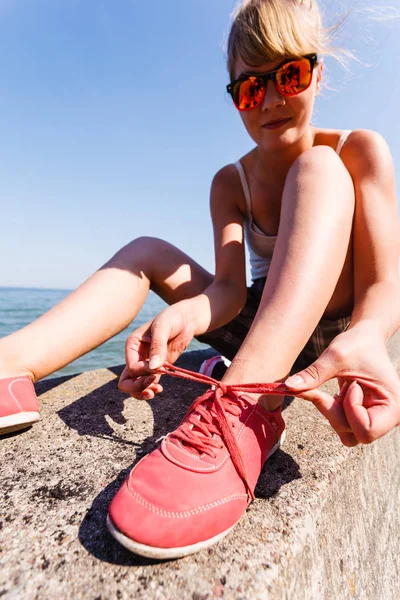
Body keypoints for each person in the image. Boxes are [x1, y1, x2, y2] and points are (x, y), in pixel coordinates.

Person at [1, 0, 399, 559]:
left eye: (290, 74)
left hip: (331, 338)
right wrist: (185, 315)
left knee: (318, 169)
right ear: (235, 97)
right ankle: (10, 363)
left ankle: (244, 404)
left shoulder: (356, 150)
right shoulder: (230, 181)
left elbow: (385, 284)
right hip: (258, 322)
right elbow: (230, 291)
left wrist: (370, 334)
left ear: (317, 72)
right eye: (249, 90)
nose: (272, 100)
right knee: (148, 250)